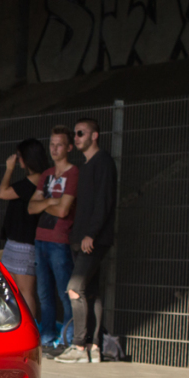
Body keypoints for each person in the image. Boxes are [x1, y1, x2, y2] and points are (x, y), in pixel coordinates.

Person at [56, 118, 119, 363]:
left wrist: (91, 233)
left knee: (74, 288)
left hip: (91, 240)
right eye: (75, 133)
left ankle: (79, 346)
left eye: (81, 133)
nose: (77, 137)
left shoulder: (103, 163)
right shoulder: (86, 166)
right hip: (82, 238)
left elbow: (104, 202)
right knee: (90, 292)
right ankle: (94, 346)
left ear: (95, 135)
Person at [29, 126, 79, 350]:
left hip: (60, 240)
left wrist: (45, 204)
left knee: (64, 292)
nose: (54, 149)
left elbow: (63, 211)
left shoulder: (73, 173)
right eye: (52, 144)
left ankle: (68, 340)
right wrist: (51, 202)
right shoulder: (47, 174)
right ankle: (47, 338)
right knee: (44, 293)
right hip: (41, 239)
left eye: (59, 145)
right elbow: (31, 207)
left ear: (69, 147)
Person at [0, 138, 50, 322]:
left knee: (25, 291)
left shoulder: (32, 182)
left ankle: (29, 329)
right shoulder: (42, 180)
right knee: (15, 290)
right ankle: (20, 327)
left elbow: (2, 192)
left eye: (19, 156)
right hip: (17, 242)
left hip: (25, 244)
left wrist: (9, 168)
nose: (17, 160)